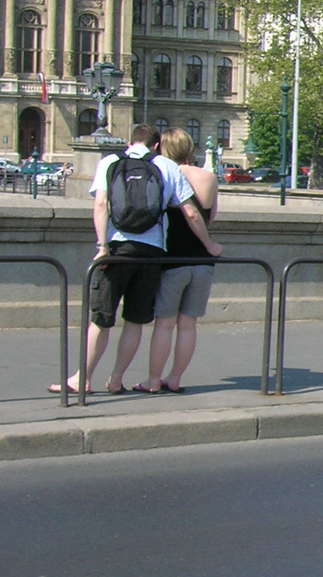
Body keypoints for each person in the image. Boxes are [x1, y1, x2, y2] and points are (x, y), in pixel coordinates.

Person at [51, 123, 220, 395]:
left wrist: (102, 246)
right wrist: (210, 245)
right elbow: (190, 211)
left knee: (101, 319)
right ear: (155, 145)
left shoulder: (110, 161)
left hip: (118, 250)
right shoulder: (165, 166)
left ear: (131, 141)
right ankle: (117, 379)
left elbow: (101, 205)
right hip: (151, 252)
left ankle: (82, 378)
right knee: (134, 321)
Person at [138, 128, 220, 394]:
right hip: (203, 262)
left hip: (172, 258)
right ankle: (174, 378)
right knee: (188, 326)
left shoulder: (165, 174)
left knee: (164, 324)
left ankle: (153, 380)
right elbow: (211, 216)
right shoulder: (209, 177)